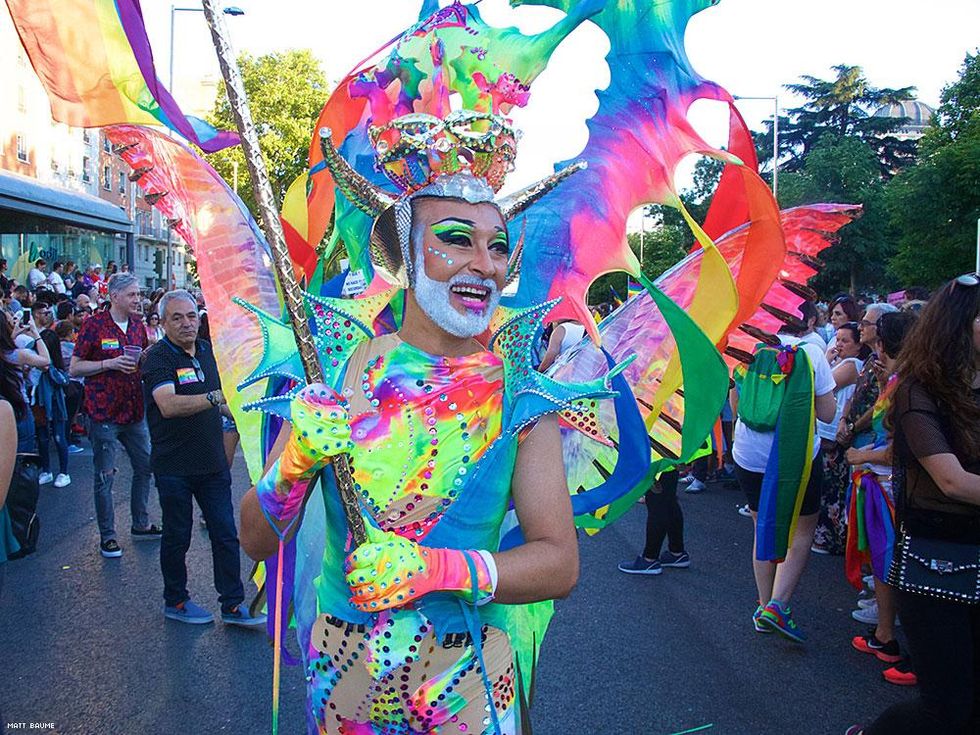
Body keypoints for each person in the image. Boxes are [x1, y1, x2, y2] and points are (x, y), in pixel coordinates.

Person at [238, 109, 591, 730]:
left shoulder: (519, 394)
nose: (485, 263)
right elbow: (256, 540)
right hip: (346, 684)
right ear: (404, 248)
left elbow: (559, 564)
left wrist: (441, 570)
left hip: (467, 687)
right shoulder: (339, 370)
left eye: (497, 246)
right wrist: (295, 465)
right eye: (457, 238)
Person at [848, 274, 980, 734]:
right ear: (960, 326)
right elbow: (952, 481)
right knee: (947, 706)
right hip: (935, 562)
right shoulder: (917, 388)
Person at [141, 290, 265, 627]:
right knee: (177, 536)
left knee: (225, 534)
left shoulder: (208, 352)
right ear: (163, 322)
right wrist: (213, 397)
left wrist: (246, 417)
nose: (186, 324)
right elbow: (167, 404)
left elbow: (222, 402)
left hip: (211, 464)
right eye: (177, 318)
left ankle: (233, 604)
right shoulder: (158, 358)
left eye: (191, 316)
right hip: (174, 467)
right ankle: (176, 601)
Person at [732, 308, 837, 642]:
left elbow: (736, 405)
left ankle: (763, 604)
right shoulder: (812, 353)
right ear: (807, 321)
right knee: (802, 530)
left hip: (748, 453)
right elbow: (827, 412)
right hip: (796, 455)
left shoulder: (748, 346)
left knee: (761, 525)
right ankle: (778, 604)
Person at [845, 311, 917, 678]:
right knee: (884, 563)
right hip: (879, 485)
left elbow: (902, 446)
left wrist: (862, 455)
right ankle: (885, 634)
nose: (863, 328)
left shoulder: (911, 384)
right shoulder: (895, 378)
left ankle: (898, 642)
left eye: (870, 325)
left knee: (894, 564)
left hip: (892, 487)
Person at [69, 272, 160, 558]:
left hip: (134, 411)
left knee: (145, 467)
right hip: (103, 413)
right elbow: (74, 367)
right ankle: (108, 536)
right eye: (132, 294)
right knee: (105, 476)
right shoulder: (93, 325)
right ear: (114, 296)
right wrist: (109, 363)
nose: (138, 299)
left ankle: (140, 523)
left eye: (139, 294)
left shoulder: (137, 326)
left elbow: (141, 358)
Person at [813, 321, 871, 554]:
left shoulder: (851, 365)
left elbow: (821, 384)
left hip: (835, 434)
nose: (839, 344)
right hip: (829, 430)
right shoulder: (846, 362)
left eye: (845, 340)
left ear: (859, 346)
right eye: (837, 339)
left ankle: (831, 538)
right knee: (828, 486)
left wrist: (826, 358)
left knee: (831, 488)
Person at [618, 469, 690, 575]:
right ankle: (677, 552)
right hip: (671, 457)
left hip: (660, 459)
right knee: (669, 499)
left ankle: (650, 559)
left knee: (658, 501)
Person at [30, 301, 70, 488]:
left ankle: (64, 472)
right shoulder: (30, 353)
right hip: (37, 400)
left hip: (54, 401)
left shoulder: (54, 366)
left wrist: (49, 370)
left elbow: (63, 378)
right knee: (43, 437)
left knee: (59, 437)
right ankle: (46, 470)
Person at [826, 294, 862, 362]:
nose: (832, 318)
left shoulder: (858, 337)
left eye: (838, 314)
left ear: (850, 315)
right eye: (832, 314)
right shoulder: (833, 339)